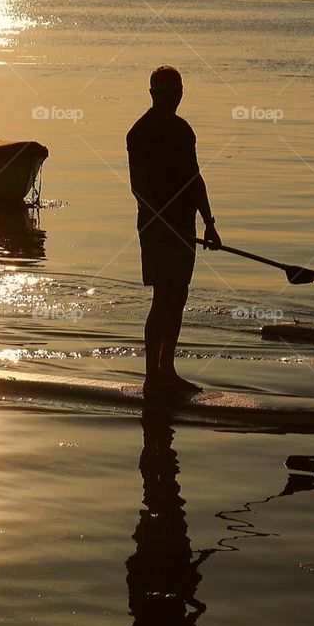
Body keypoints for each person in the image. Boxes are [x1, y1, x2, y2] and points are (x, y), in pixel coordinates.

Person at [126, 66, 221, 394]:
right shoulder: (139, 133)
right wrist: (163, 223)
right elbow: (138, 189)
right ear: (153, 95)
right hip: (155, 228)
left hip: (184, 225)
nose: (173, 98)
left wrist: (209, 223)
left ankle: (168, 370)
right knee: (163, 297)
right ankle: (152, 377)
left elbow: (195, 179)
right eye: (166, 92)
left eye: (177, 91)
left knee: (179, 296)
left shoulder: (184, 131)